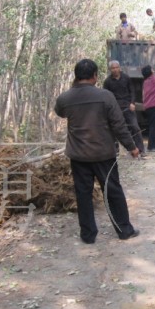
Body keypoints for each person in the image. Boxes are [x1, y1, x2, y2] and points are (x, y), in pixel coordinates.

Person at [54, 58, 141, 244]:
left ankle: (88, 235)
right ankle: (124, 230)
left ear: (76, 77)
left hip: (78, 156)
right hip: (104, 155)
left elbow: (60, 112)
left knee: (83, 194)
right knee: (112, 192)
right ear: (95, 76)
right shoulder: (105, 96)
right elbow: (119, 126)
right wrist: (132, 147)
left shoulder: (65, 99)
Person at [103, 60, 146, 157]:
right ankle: (115, 151)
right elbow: (105, 96)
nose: (115, 70)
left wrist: (132, 103)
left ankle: (141, 149)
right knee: (114, 129)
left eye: (116, 67)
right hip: (115, 108)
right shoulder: (107, 82)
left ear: (119, 68)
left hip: (128, 106)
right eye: (112, 68)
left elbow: (132, 91)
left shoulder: (126, 78)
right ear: (110, 69)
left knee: (135, 127)